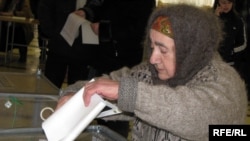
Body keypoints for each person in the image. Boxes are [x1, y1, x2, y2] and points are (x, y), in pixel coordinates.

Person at [56, 4, 248, 141]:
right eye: (152, 46)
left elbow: (202, 118)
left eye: (163, 50)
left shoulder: (225, 83)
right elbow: (108, 84)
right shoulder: (152, 72)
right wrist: (74, 94)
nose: (153, 58)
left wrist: (128, 93)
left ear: (189, 48)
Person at [80, 0, 156, 137]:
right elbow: (98, 3)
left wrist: (105, 29)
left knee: (116, 116)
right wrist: (86, 12)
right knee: (92, 107)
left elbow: (139, 27)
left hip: (122, 61)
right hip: (100, 56)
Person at [37, 0, 98, 88]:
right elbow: (45, 9)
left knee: (78, 90)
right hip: (59, 44)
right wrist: (53, 33)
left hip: (85, 48)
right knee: (50, 86)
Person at [213, 0, 247, 78]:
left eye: (229, 3)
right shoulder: (211, 18)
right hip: (213, 63)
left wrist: (231, 51)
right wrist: (216, 18)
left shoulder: (238, 20)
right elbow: (207, 38)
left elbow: (243, 43)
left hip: (231, 63)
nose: (226, 6)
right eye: (223, 2)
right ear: (218, 3)